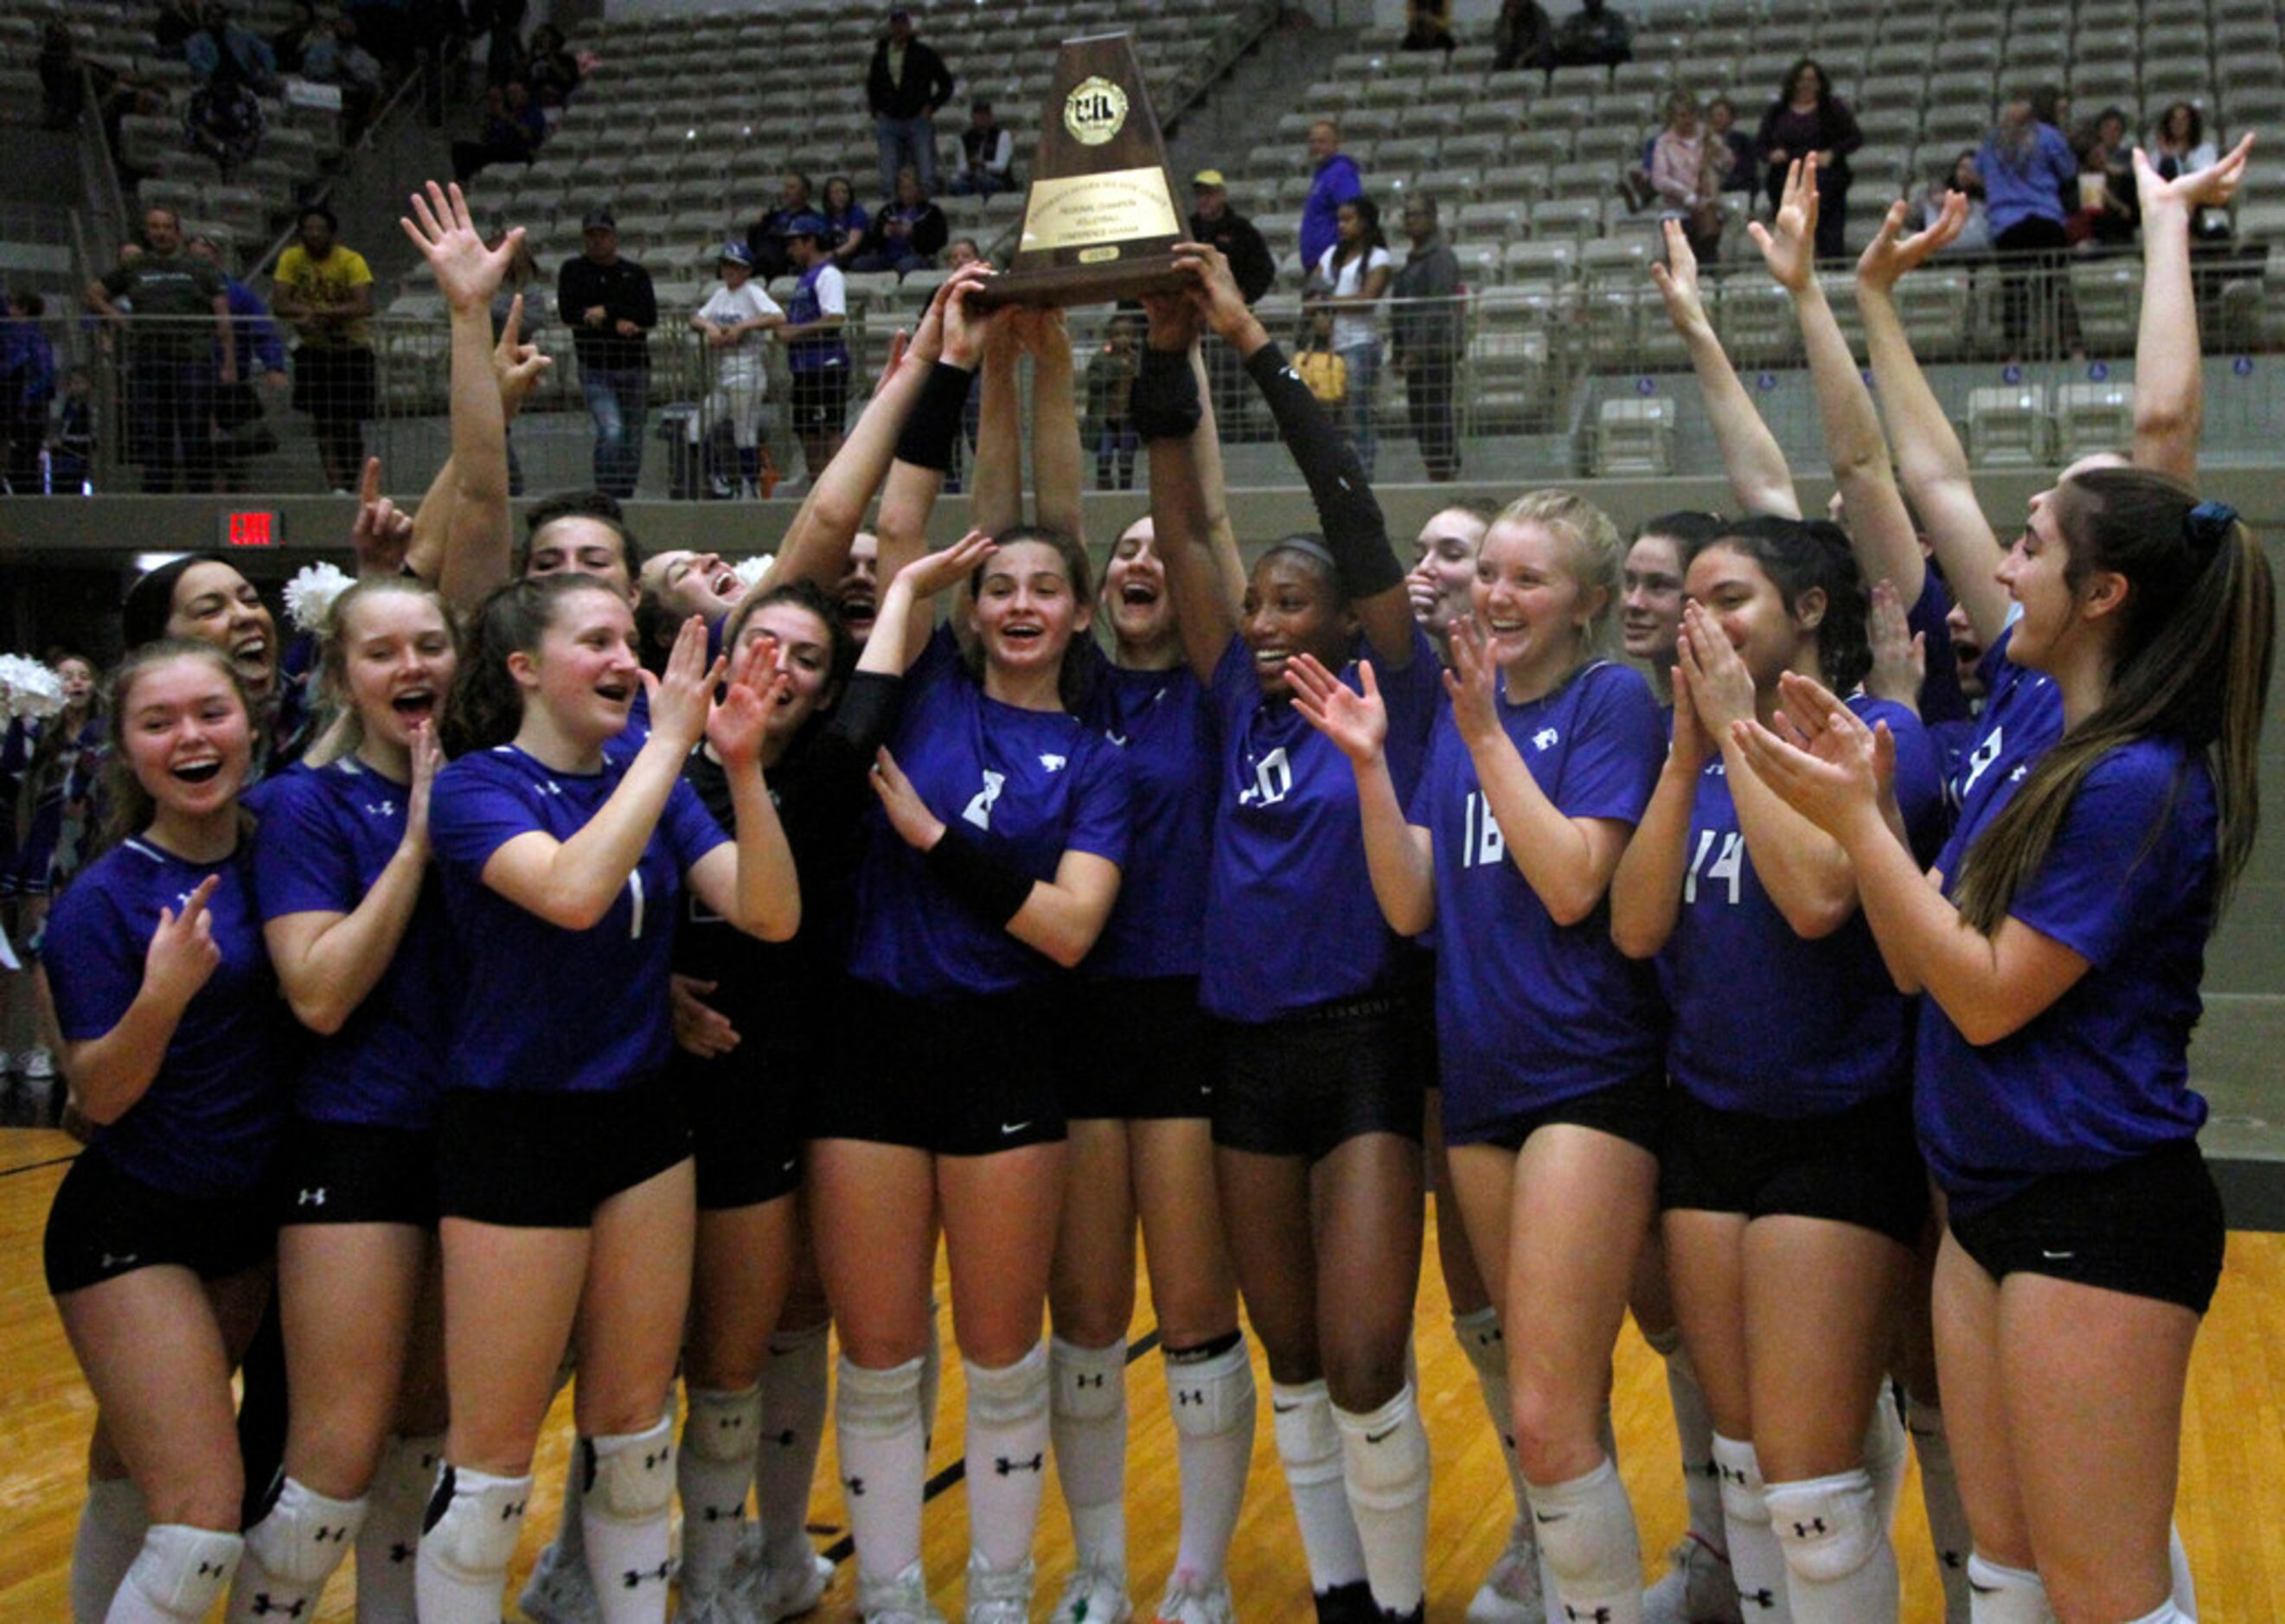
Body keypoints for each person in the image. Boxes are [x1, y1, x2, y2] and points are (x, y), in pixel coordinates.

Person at [1731, 468, 2272, 1624]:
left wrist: (1848, 828)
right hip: (1984, 1198)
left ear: (2101, 592)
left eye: (2027, 547)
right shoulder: (2037, 739)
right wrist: (1870, 814)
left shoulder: (2136, 782)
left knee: (2102, 1595)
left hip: (2097, 1209)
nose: (2001, 570)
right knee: (2006, 1571)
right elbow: (1908, 960)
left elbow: (1981, 998)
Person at [813, 271, 1133, 1624]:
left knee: (1004, 1349)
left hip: (1005, 1048)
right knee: (880, 1351)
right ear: (967, 605)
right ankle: (894, 1593)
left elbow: (1066, 928)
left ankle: (999, 1587)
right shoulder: (924, 683)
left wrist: (937, 840)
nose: (1015, 601)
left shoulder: (1099, 757)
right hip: (869, 1050)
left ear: (1075, 613)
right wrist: (954, 364)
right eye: (994, 583)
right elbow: (894, 518)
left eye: (1041, 587)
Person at [1296, 490, 1670, 1624]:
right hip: (1480, 1084)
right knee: (1554, 1401)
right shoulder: (1477, 708)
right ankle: (1577, 1593)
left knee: (1550, 1417)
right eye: (1487, 575)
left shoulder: (1611, 702)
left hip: (1585, 1078)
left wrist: (1482, 738)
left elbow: (1571, 880)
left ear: (1587, 603)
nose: (1495, 596)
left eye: (1527, 578)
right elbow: (1411, 898)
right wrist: (1369, 766)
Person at [416, 579, 797, 1624]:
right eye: (597, 642)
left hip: (640, 1125)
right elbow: (575, 893)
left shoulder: (645, 763)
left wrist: (744, 769)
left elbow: (767, 912)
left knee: (633, 1433)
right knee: (491, 1462)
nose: (628, 661)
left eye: (631, 639)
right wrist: (673, 745)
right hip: (513, 1131)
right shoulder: (473, 789)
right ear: (523, 671)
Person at [1154, 238, 1440, 1624]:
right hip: (1243, 1061)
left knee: (1372, 1349)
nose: (1267, 622)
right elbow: (1174, 511)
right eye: (1257, 603)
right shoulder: (1231, 700)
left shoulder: (1393, 691)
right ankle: (1339, 1595)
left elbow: (1355, 513)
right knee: (1296, 1356)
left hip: (1367, 1045)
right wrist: (1163, 360)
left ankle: (1394, 1601)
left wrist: (1252, 346)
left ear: (1345, 615)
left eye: (1293, 602)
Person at [1610, 515, 1945, 1624]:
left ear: (1807, 611)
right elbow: (1636, 925)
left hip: (1837, 1130)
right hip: (1706, 1126)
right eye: (1690, 603)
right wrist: (1685, 753)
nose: (1698, 623)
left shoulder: (1873, 730)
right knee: (1746, 1455)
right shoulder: (1698, 751)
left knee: (1807, 1483)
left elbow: (1813, 900)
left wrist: (1741, 735)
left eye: (1730, 598)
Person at [223, 577, 458, 1624]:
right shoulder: (299, 808)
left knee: (425, 1439)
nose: (411, 668)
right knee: (333, 1453)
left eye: (430, 645)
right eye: (382, 652)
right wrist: (412, 846)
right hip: (354, 1142)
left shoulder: (490, 787)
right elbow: (317, 993)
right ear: (342, 676)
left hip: (470, 1144)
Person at [42, 640, 283, 1624]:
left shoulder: (285, 853)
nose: (190, 737)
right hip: (132, 1227)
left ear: (250, 724)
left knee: (133, 1471)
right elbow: (97, 1098)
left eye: (209, 713)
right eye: (158, 722)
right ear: (130, 752)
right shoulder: (100, 903)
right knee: (198, 1520)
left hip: (249, 1220)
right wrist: (163, 995)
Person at [85, 207, 234, 495]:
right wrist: (115, 316)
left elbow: (222, 314)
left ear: (177, 231)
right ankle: (155, 501)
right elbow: (94, 293)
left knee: (195, 431)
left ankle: (199, 499)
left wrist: (228, 361)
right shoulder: (135, 266)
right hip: (149, 359)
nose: (161, 232)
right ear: (148, 231)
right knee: (154, 433)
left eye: (166, 226)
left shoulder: (200, 266)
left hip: (193, 359)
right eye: (154, 227)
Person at [272, 206, 378, 496]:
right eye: (308, 229)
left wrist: (319, 315)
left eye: (320, 229)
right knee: (323, 421)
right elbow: (280, 302)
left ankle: (352, 481)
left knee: (350, 422)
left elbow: (364, 304)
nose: (314, 235)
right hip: (314, 351)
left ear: (332, 234)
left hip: (351, 350)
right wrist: (310, 314)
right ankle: (336, 485)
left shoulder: (351, 260)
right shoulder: (290, 258)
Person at [558, 208, 657, 501]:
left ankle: (625, 495)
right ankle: (606, 496)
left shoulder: (635, 274)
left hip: (635, 366)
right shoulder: (573, 270)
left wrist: (608, 313)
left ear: (613, 237)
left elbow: (647, 315)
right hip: (595, 367)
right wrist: (618, 319)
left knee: (633, 437)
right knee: (612, 430)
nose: (597, 241)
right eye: (591, 235)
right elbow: (570, 311)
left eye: (602, 235)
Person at [1977, 93, 2077, 352]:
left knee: (2013, 289)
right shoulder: (2049, 136)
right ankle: (2072, 347)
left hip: (2007, 223)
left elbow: (1978, 174)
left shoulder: (1991, 142)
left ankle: (2014, 354)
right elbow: (2068, 170)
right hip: (2045, 217)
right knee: (2058, 287)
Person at [188, 235, 286, 492]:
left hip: (229, 382)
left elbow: (261, 329)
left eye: (206, 257)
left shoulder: (238, 294)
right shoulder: (179, 292)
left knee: (238, 449)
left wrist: (273, 365)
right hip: (189, 380)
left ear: (217, 259)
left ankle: (236, 497)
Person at [689, 241, 785, 501]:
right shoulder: (720, 294)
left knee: (744, 431)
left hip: (748, 370)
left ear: (746, 270)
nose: (729, 270)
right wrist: (708, 327)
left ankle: (749, 487)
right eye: (726, 265)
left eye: (735, 266)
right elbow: (695, 318)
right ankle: (719, 482)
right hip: (723, 374)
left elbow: (778, 316)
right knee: (695, 428)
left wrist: (744, 326)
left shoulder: (751, 292)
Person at [1312, 196, 1392, 479]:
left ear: (1365, 222)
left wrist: (1327, 302)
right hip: (1333, 344)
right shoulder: (1330, 255)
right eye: (1339, 220)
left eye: (1349, 220)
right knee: (1329, 412)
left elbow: (1367, 299)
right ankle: (1335, 471)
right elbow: (1312, 291)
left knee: (1358, 410)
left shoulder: (1379, 258)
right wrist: (1319, 309)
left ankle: (1364, 472)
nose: (1341, 225)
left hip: (1362, 342)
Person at [1754, 61, 1859, 262]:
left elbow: (1855, 138)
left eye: (1812, 80)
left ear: (1820, 83)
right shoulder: (1777, 111)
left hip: (1826, 182)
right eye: (1802, 79)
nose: (1806, 84)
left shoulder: (1832, 108)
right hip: (1785, 181)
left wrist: (1831, 153)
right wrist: (1771, 154)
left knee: (1827, 232)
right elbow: (1760, 145)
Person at [1390, 195, 1462, 483]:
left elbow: (1436, 307)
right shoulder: (1413, 261)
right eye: (1407, 216)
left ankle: (1445, 471)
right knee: (1420, 417)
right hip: (1416, 354)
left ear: (1432, 218)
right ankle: (1436, 470)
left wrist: (1415, 350)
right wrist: (1399, 352)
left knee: (1434, 414)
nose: (1411, 221)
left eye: (1417, 215)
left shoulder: (1442, 258)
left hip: (1435, 352)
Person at [780, 214, 852, 487]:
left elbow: (834, 317)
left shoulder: (828, 275)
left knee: (830, 427)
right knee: (807, 429)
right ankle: (817, 486)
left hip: (825, 363)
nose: (790, 250)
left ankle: (836, 487)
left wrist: (793, 332)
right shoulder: (806, 278)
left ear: (810, 242)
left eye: (794, 243)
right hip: (804, 366)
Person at [866, 7, 955, 201]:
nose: (899, 28)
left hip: (918, 118)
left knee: (926, 170)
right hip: (889, 120)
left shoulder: (924, 53)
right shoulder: (880, 56)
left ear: (908, 26)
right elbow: (872, 86)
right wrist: (876, 111)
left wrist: (932, 105)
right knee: (888, 172)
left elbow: (946, 83)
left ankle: (928, 204)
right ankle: (891, 206)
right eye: (895, 24)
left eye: (902, 23)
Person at [1651, 92, 1732, 266]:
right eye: (1682, 115)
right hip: (1677, 210)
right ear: (1673, 117)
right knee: (1683, 260)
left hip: (1708, 206)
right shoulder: (1664, 142)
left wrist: (1718, 150)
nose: (1687, 120)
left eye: (1691, 114)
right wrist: (1687, 195)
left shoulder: (1708, 135)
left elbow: (1728, 164)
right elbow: (1659, 179)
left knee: (1709, 257)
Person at [1, 290, 58, 495]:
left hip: (28, 408)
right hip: (30, 406)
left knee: (23, 461)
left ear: (23, 310)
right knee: (26, 461)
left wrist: (25, 396)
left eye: (13, 307)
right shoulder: (35, 336)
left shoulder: (24, 336)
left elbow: (42, 372)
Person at [852, 165, 949, 275]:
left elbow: (939, 241)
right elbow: (873, 241)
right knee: (858, 264)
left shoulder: (932, 212)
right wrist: (884, 234)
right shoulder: (887, 211)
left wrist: (913, 233)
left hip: (916, 255)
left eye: (910, 188)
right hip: (888, 256)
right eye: (903, 188)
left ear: (918, 189)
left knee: (905, 265)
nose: (907, 193)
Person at [1300, 122, 1364, 284]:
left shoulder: (1340, 173)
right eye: (1313, 142)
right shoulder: (1323, 175)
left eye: (1322, 141)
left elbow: (1353, 214)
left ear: (1336, 144)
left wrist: (1341, 257)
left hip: (1332, 264)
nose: (1316, 146)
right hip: (1319, 264)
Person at [451, 80, 547, 182]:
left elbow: (528, 135)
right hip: (500, 149)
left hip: (522, 151)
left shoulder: (532, 111)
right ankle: (462, 181)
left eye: (516, 93)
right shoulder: (506, 113)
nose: (512, 97)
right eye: (510, 94)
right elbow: (486, 138)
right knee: (461, 148)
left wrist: (508, 119)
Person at [1908, 152, 1989, 253]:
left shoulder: (1987, 194)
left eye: (1971, 169)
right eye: (1962, 168)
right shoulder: (1941, 190)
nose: (1965, 173)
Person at [746, 173, 816, 283]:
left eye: (792, 188)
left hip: (784, 261)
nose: (786, 192)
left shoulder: (813, 219)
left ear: (805, 193)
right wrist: (755, 228)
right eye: (785, 187)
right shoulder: (772, 217)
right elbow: (754, 243)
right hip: (763, 259)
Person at [951, 99, 1016, 197]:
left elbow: (1001, 167)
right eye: (978, 115)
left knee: (983, 182)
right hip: (972, 178)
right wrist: (971, 168)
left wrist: (982, 164)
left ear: (990, 116)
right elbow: (961, 168)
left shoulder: (1002, 135)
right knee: (958, 185)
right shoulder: (964, 139)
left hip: (997, 180)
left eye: (985, 115)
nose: (982, 118)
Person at [1552, 0, 1631, 67]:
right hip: (1580, 59)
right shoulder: (1574, 20)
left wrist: (1596, 43)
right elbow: (1563, 41)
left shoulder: (1614, 18)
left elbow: (1621, 40)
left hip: (1606, 58)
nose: (1593, 1)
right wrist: (1585, 40)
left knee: (1622, 53)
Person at [818, 176, 873, 270]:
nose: (841, 196)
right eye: (836, 193)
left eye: (845, 192)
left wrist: (831, 255)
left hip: (855, 255)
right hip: (835, 255)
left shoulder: (857, 213)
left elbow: (852, 244)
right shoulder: (825, 217)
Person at [1492, 0, 1553, 72]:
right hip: (1514, 54)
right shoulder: (1504, 16)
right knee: (1499, 63)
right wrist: (1508, 22)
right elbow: (1502, 46)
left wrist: (1523, 57)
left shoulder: (1536, 13)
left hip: (1534, 54)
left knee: (1544, 58)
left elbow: (1542, 41)